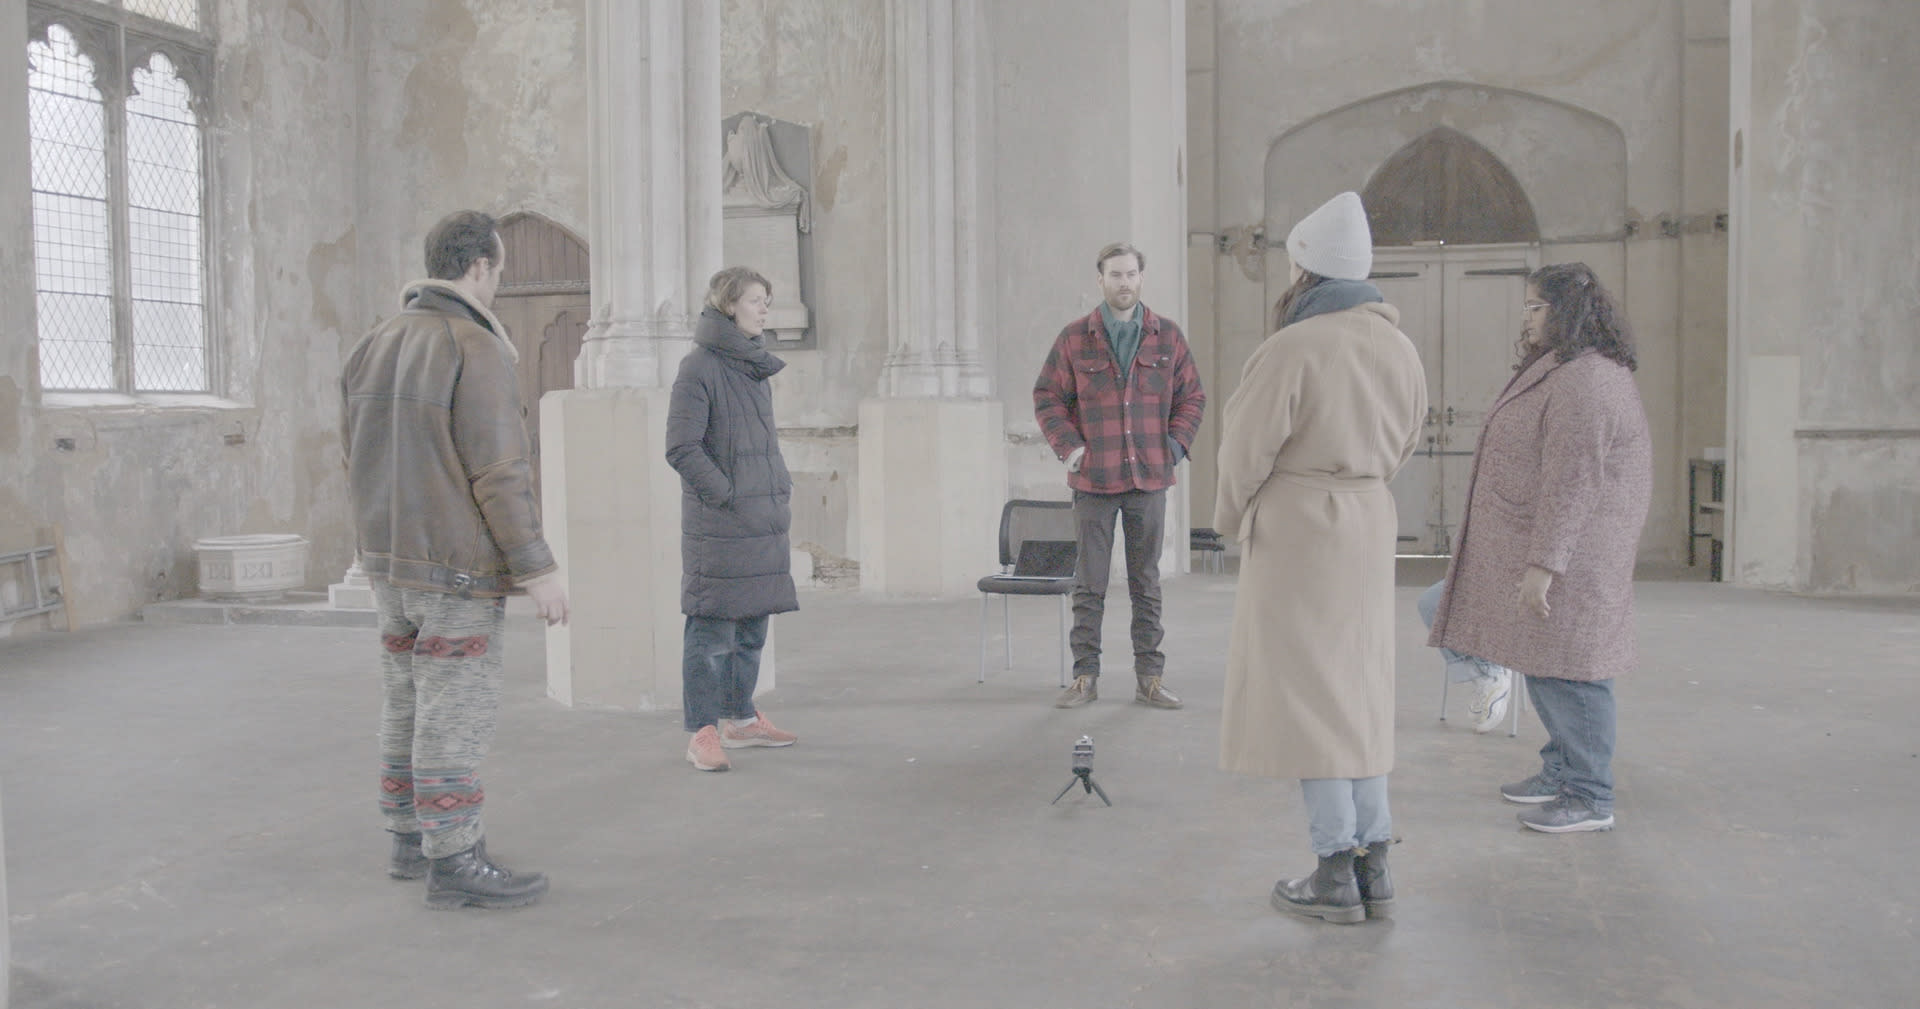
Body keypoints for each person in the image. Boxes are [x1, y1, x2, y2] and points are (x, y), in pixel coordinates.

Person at [342, 210, 570, 910]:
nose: (498, 282)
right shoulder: (474, 345)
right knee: (454, 709)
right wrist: (537, 567)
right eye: (499, 270)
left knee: (405, 699)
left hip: (390, 564)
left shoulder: (374, 342)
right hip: (456, 570)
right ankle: (456, 858)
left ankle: (409, 839)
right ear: (478, 267)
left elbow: (354, 457)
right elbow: (500, 471)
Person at [1214, 191, 1428, 924]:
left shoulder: (1293, 347)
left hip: (1302, 529)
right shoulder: (1399, 347)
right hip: (1368, 519)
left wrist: (1228, 518)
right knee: (1361, 691)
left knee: (1311, 697)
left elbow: (1245, 449)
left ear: (1304, 270)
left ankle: (1333, 867)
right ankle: (1377, 862)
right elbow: (1406, 440)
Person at [1425, 262, 1651, 834]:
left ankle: (1590, 795)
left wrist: (1543, 565)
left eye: (1536, 307)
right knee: (1546, 664)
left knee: (1573, 673)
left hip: (1573, 555)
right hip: (1556, 549)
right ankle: (1561, 770)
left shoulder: (1587, 380)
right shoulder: (1565, 368)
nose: (1526, 318)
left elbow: (1571, 481)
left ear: (1566, 311)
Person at [1033, 242, 1206, 710]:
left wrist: (1174, 445)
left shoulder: (1167, 336)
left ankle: (1149, 677)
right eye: (1115, 275)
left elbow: (1193, 397)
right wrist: (1070, 449)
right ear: (1100, 279)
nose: (1124, 283)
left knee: (1145, 584)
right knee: (1089, 585)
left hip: (1149, 479)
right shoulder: (1075, 338)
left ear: (1141, 278)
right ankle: (1084, 677)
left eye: (1131, 274)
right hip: (1094, 481)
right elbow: (1047, 396)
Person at [666, 266, 801, 772]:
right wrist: (728, 494)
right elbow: (681, 447)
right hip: (721, 523)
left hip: (761, 518)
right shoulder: (699, 366)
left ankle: (740, 719)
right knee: (711, 634)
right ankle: (703, 731)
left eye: (767, 299)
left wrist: (774, 488)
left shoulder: (752, 366)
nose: (764, 308)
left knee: (751, 628)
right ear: (728, 304)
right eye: (755, 299)